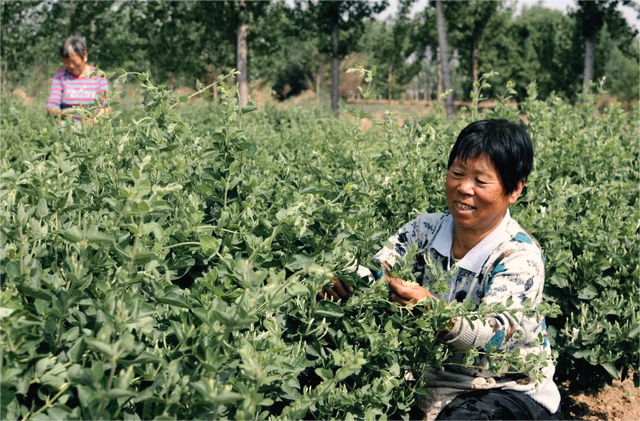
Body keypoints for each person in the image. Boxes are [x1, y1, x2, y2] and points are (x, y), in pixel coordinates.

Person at [321, 119, 561, 421]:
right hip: (427, 384)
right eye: (457, 174)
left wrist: (435, 312)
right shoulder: (424, 229)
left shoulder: (519, 255)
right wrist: (348, 281)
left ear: (515, 189)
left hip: (507, 390)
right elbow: (379, 270)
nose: (463, 188)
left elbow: (494, 334)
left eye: (481, 181)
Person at [46, 36, 109, 125]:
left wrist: (94, 121)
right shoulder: (59, 77)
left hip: (94, 126)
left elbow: (106, 105)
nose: (71, 65)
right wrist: (63, 113)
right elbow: (51, 106)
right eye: (66, 62)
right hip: (67, 125)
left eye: (74, 61)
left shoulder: (99, 76)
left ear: (85, 55)